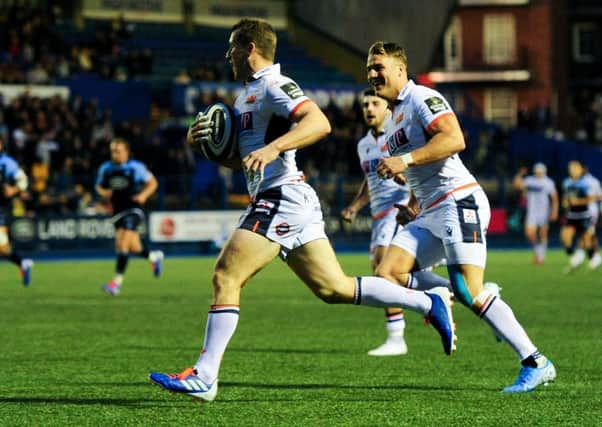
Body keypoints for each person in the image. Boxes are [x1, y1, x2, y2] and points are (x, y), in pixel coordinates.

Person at [149, 19, 456, 402]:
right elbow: (247, 161)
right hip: (287, 198)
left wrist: (275, 148)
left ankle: (205, 376)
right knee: (334, 288)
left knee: (226, 275)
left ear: (249, 49)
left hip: (281, 198)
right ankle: (428, 301)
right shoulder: (247, 94)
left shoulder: (275, 85)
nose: (227, 55)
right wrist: (208, 147)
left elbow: (319, 122)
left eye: (232, 48)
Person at [367, 41, 555, 393]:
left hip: (459, 201)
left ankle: (536, 362)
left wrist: (404, 162)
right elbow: (424, 167)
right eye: (369, 68)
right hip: (430, 208)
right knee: (388, 272)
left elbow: (454, 139)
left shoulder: (421, 98)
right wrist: (413, 199)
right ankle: (452, 295)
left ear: (400, 70)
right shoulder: (393, 118)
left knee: (470, 292)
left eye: (379, 66)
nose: (373, 74)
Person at [341, 88, 450, 356]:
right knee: (393, 271)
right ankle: (458, 291)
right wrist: (354, 207)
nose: (368, 109)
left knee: (383, 267)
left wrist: (412, 199)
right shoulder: (363, 144)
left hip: (397, 210)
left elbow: (416, 168)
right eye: (365, 104)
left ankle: (396, 337)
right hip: (378, 215)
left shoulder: (397, 137)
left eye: (374, 103)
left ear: (386, 108)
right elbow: (370, 181)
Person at [95, 138, 164, 295]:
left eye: (118, 151)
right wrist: (103, 192)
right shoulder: (106, 168)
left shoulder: (136, 167)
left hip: (133, 209)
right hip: (117, 211)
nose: (115, 154)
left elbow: (153, 183)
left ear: (126, 152)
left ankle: (116, 283)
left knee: (122, 244)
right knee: (134, 247)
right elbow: (99, 186)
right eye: (113, 151)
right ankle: (153, 257)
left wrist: (144, 195)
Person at [0, 138, 33, 286]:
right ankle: (22, 263)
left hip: (1, 209)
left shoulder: (7, 162)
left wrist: (13, 189)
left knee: (2, 246)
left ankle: (22, 263)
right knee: (3, 248)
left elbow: (23, 181)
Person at [513, 163, 559, 264]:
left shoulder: (548, 182)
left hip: (544, 211)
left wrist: (554, 211)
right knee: (529, 233)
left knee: (543, 233)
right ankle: (538, 251)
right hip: (532, 211)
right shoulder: (530, 180)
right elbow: (517, 185)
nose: (538, 173)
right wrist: (520, 174)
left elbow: (554, 198)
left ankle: (541, 256)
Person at [561, 160, 600, 272]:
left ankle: (594, 257)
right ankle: (575, 257)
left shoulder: (586, 182)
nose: (572, 170)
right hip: (571, 214)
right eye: (571, 168)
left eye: (575, 167)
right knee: (565, 236)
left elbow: (592, 198)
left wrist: (578, 201)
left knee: (587, 239)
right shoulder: (566, 182)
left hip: (584, 214)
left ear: (581, 169)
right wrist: (565, 202)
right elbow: (566, 197)